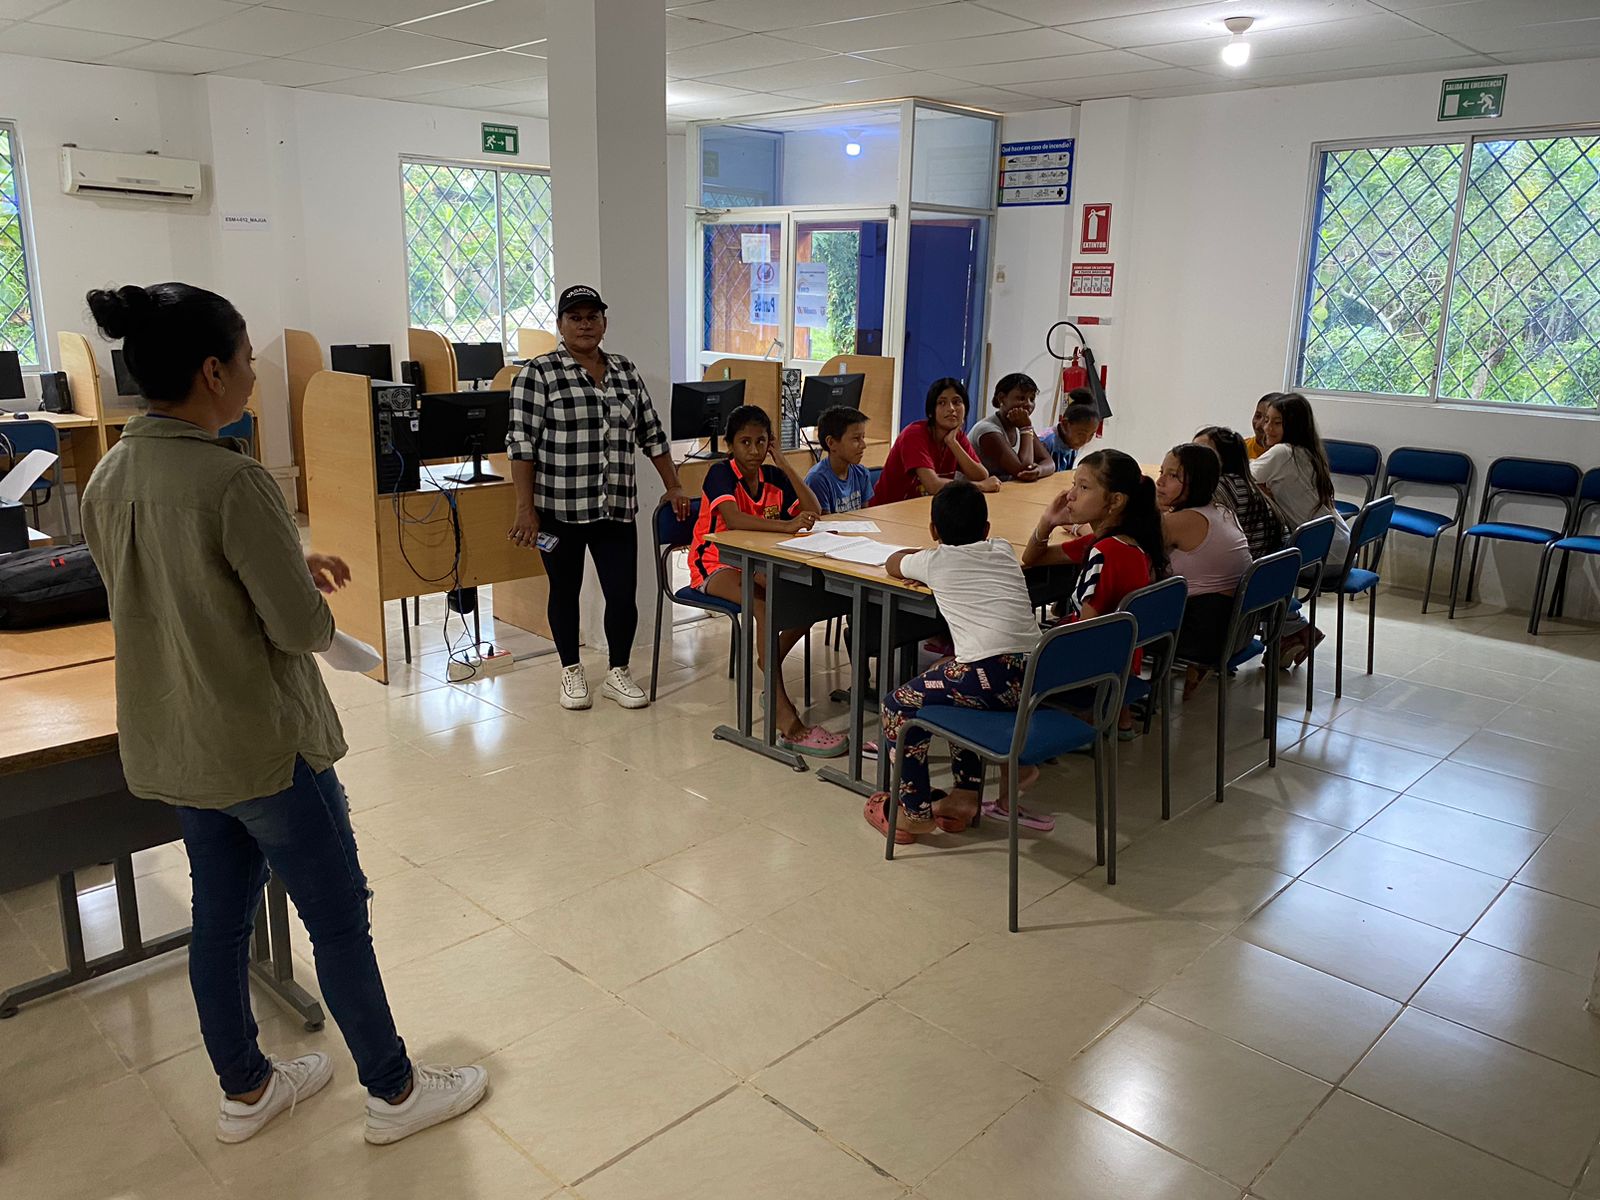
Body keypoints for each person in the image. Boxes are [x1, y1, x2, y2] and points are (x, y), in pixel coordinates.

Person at [79, 282, 486, 1148]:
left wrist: (282, 563)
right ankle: (395, 1091)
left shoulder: (109, 474)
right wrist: (296, 589)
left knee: (219, 920)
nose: (255, 377)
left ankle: (247, 1089)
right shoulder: (233, 478)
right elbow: (299, 630)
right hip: (264, 747)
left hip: (181, 742)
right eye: (246, 361)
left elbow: (180, 587)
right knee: (337, 917)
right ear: (211, 371)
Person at [506, 284, 692, 712]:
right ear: (561, 325)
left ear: (605, 323)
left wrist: (673, 484)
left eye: (593, 317)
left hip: (615, 507)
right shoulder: (538, 374)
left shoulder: (625, 371)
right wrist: (525, 509)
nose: (585, 325)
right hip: (558, 511)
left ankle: (617, 671)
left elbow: (652, 433)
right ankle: (571, 670)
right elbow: (521, 446)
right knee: (564, 590)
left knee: (623, 594)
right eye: (575, 318)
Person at [863, 482, 1041, 843]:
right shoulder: (1003, 549)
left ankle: (914, 814)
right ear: (987, 530)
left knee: (896, 706)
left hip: (989, 676)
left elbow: (894, 563)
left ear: (933, 531)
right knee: (949, 677)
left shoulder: (935, 561)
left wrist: (923, 554)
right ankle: (964, 796)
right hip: (1037, 673)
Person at [688, 405, 843, 757]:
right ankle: (784, 717)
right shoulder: (720, 473)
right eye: (745, 442)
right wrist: (786, 527)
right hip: (713, 564)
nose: (754, 450)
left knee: (805, 604)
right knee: (763, 607)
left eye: (761, 442)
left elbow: (814, 510)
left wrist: (784, 463)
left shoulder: (772, 476)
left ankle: (766, 661)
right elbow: (733, 519)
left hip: (756, 565)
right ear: (730, 445)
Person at [1023, 449, 1164, 742]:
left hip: (1093, 671)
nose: (1070, 495)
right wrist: (1048, 521)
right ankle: (1120, 716)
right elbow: (1033, 557)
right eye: (1073, 484)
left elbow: (1086, 634)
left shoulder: (1105, 552)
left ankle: (1082, 721)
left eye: (1084, 487)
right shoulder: (1125, 542)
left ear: (1116, 501)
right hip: (1123, 664)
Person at [1252, 392, 1349, 665]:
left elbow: (1239, 476)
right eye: (1266, 420)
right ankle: (1292, 633)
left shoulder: (1283, 452)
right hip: (1337, 547)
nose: (1266, 428)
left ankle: (1293, 630)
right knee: (1267, 558)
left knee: (1253, 569)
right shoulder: (1310, 452)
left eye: (1276, 423)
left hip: (1321, 556)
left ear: (1293, 426)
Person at [1157, 443, 1254, 697]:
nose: (1160, 481)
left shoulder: (1183, 521)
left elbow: (1119, 538)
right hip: (1236, 629)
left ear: (1197, 482)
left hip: (1202, 635)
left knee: (1117, 604)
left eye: (1172, 475)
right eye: (1161, 472)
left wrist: (1076, 525)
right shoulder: (1222, 510)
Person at [870, 377, 999, 505]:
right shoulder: (913, 434)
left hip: (924, 508)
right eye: (942, 403)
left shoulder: (956, 437)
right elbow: (933, 485)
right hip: (887, 510)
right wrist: (980, 486)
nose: (951, 408)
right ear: (931, 412)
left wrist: (953, 443)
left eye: (957, 402)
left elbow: (981, 475)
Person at [1195, 425, 1285, 559]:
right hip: (1269, 564)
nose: (1191, 457)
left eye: (1202, 453)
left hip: (1249, 565)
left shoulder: (1220, 487)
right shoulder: (1243, 482)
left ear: (1224, 459)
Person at [971, 372, 1055, 482]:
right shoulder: (987, 430)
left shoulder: (1020, 424)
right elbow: (1022, 471)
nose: (1028, 404)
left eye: (1032, 399)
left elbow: (1050, 463)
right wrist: (1026, 428)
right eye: (1021, 398)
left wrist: (1039, 470)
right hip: (972, 491)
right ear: (1001, 398)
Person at [804, 404, 873, 514]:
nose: (863, 445)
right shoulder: (817, 479)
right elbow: (824, 522)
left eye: (863, 437)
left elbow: (866, 516)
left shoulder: (862, 473)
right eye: (856, 439)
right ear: (831, 443)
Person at [1043, 390, 1100, 472]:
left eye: (1091, 435)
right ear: (1065, 425)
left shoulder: (1072, 442)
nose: (1085, 441)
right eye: (1081, 434)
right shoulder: (1045, 443)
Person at [1244, 392, 1278, 459]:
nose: (1258, 425)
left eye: (1266, 420)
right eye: (1258, 416)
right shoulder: (1240, 448)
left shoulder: (1287, 454)